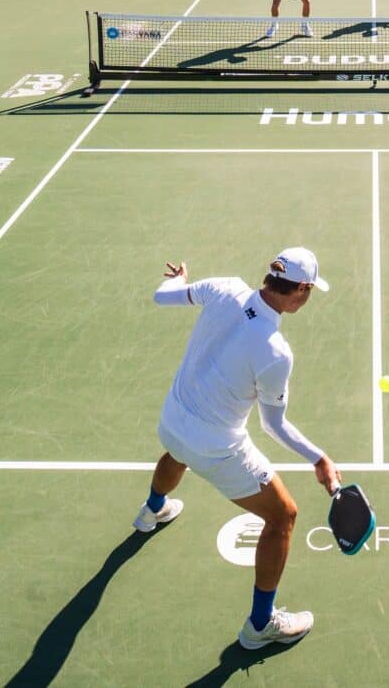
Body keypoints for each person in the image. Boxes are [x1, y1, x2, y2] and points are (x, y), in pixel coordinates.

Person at [141, 249, 340, 649]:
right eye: (310, 290)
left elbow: (161, 296)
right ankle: (260, 625)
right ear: (300, 290)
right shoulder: (274, 352)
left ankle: (153, 509)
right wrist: (319, 458)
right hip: (216, 449)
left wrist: (180, 280)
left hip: (172, 421)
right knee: (283, 515)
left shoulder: (224, 287)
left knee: (178, 451)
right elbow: (272, 424)